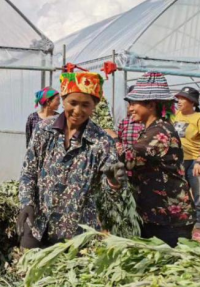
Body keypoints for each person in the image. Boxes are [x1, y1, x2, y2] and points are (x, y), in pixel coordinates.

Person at [17, 71, 126, 249]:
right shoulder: (44, 130)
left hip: (76, 233)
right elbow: (29, 171)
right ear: (64, 100)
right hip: (38, 225)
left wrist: (113, 182)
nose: (77, 110)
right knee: (28, 272)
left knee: (66, 276)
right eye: (72, 103)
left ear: (94, 106)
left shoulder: (102, 142)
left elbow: (110, 195)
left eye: (86, 105)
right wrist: (26, 202)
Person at [112, 72, 196, 247]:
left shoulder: (160, 131)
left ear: (150, 105)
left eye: (134, 103)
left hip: (169, 220)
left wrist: (112, 138)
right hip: (156, 216)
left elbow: (129, 159)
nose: (130, 109)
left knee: (167, 268)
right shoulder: (152, 129)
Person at [174, 87, 200, 242]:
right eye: (178, 98)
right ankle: (184, 224)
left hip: (197, 162)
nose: (179, 101)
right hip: (180, 161)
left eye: (182, 98)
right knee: (181, 195)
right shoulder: (175, 115)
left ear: (192, 102)